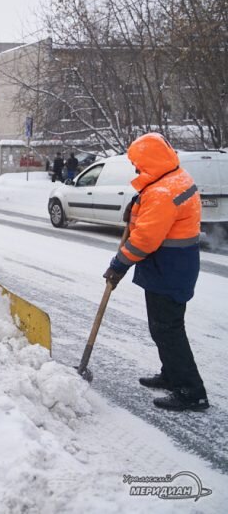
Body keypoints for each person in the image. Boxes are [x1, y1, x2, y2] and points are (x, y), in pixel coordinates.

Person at [103, 133, 208, 411]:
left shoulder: (162, 192)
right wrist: (138, 206)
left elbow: (145, 240)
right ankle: (172, 374)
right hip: (175, 266)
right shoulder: (175, 178)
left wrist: (118, 265)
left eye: (138, 164)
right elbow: (155, 218)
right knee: (163, 329)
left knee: (168, 330)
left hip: (168, 269)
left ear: (151, 161)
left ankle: (191, 391)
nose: (136, 169)